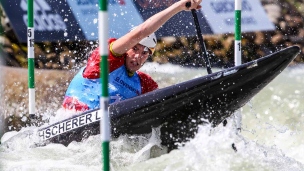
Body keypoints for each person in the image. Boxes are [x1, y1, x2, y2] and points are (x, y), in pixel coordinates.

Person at [62, 0, 202, 111]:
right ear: (127, 48)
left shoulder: (144, 84)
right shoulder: (107, 58)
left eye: (144, 53)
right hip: (72, 117)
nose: (137, 56)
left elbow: (164, 107)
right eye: (134, 48)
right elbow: (141, 32)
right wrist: (179, 6)